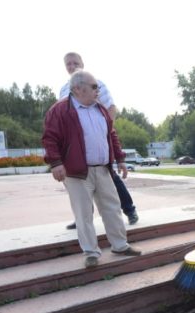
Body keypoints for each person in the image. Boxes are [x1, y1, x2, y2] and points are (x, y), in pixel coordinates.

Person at [42, 70, 142, 269]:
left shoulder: (100, 109)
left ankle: (120, 246)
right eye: (94, 86)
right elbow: (49, 138)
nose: (98, 90)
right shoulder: (60, 110)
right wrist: (55, 163)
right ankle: (90, 252)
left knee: (112, 209)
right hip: (76, 172)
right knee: (83, 213)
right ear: (78, 89)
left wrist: (120, 159)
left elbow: (111, 135)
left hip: (103, 170)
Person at [59, 52, 138, 228]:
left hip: (98, 139)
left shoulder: (96, 83)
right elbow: (61, 117)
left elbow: (111, 108)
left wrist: (106, 134)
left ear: (82, 64)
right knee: (76, 182)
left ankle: (129, 209)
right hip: (76, 145)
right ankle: (81, 217)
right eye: (69, 64)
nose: (72, 67)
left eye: (75, 63)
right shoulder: (64, 89)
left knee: (109, 176)